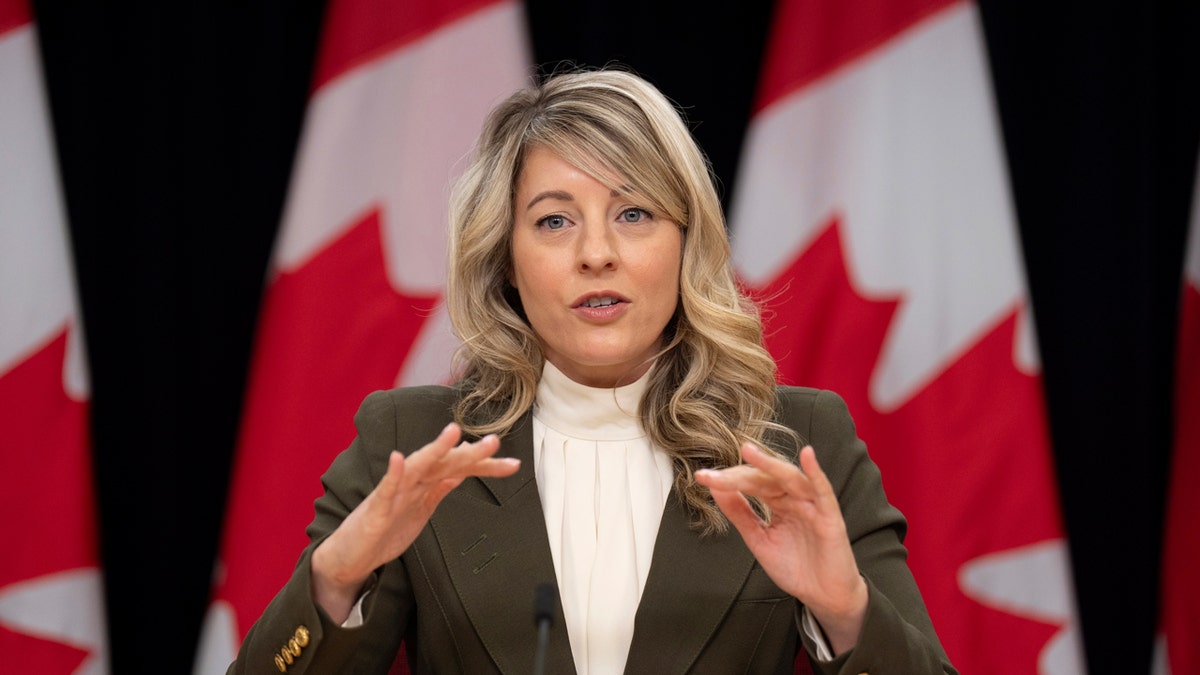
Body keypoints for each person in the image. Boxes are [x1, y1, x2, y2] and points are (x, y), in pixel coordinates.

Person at [229, 68, 957, 674]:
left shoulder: (795, 442)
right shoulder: (416, 441)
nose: (596, 252)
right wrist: (334, 581)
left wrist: (844, 609)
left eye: (634, 213)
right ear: (507, 259)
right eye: (554, 220)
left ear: (685, 243)